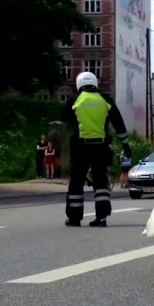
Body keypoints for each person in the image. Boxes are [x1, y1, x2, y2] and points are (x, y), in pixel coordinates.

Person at [61, 71, 132, 228]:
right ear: (95, 83)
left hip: (80, 147)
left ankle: (74, 217)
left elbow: (65, 117)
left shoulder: (75, 100)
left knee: (77, 181)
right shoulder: (105, 100)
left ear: (79, 84)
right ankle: (101, 217)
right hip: (101, 147)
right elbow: (119, 124)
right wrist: (125, 145)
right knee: (100, 180)